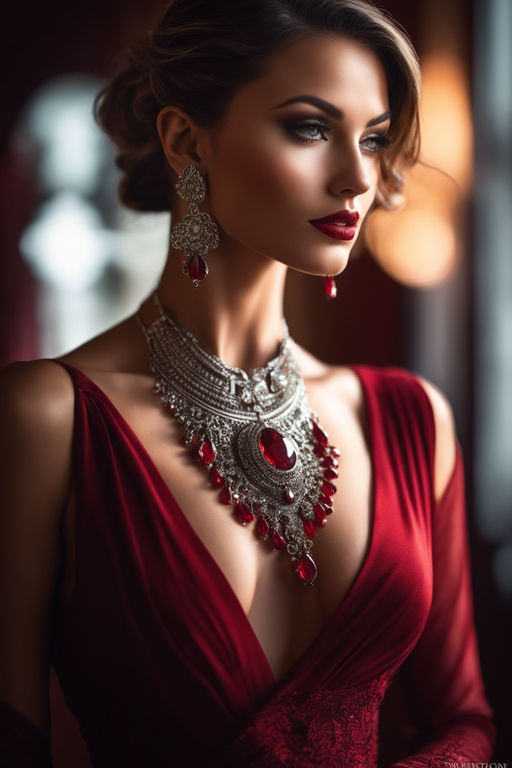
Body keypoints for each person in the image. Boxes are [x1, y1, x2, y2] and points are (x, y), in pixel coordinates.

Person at [0, 0, 497, 765]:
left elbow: (466, 721)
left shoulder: (412, 419)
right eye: (309, 127)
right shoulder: (47, 418)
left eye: (372, 138)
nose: (358, 175)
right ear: (185, 139)